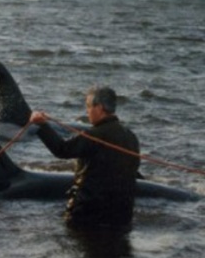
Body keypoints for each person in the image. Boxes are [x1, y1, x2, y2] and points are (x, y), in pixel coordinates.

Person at [29, 86, 140, 231]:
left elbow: (62, 149)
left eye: (88, 106)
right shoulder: (131, 137)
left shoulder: (95, 135)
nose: (87, 111)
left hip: (89, 214)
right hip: (122, 216)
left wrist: (42, 126)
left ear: (99, 108)